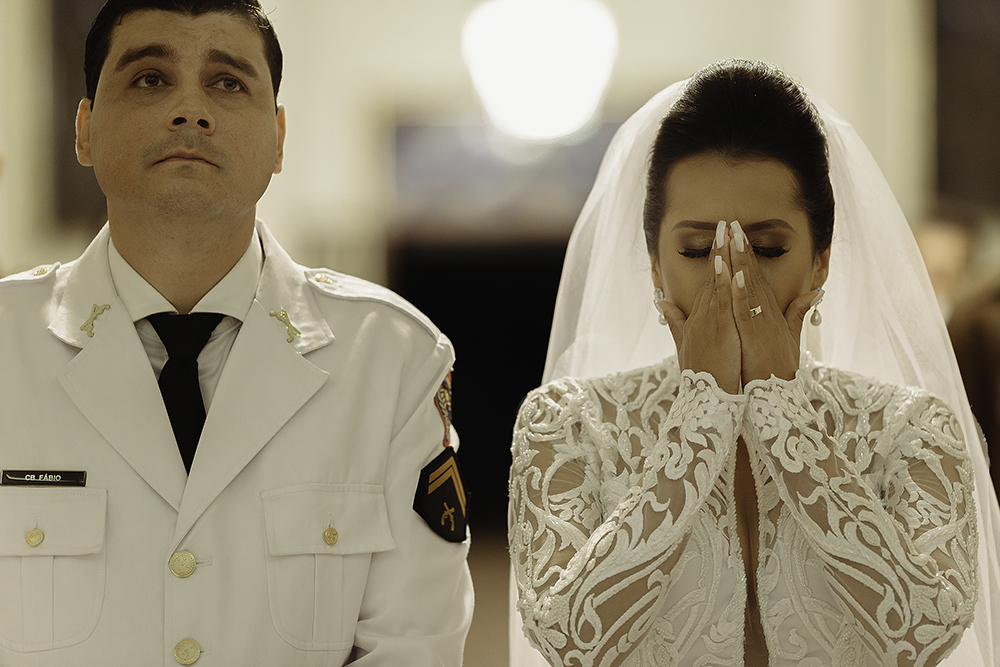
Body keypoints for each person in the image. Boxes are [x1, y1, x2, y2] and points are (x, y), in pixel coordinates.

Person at [0, 1, 472, 664]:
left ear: (279, 138)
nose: (190, 108)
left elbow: (414, 645)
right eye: (149, 79)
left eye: (228, 82)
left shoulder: (390, 359)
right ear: (84, 130)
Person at [508, 60, 1000, 667]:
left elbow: (926, 631)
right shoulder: (569, 423)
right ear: (655, 263)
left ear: (820, 260)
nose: (736, 277)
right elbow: (565, 636)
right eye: (697, 250)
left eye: (766, 248)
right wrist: (700, 412)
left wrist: (785, 411)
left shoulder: (910, 427)